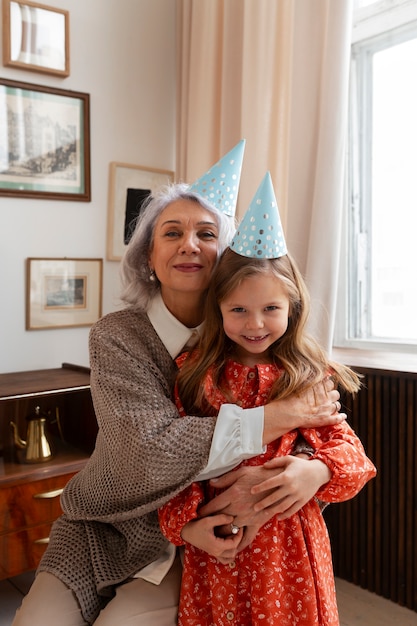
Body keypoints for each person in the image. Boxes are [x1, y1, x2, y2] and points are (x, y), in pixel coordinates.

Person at [12, 147, 345, 626]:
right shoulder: (116, 336)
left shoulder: (248, 339)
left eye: (206, 234)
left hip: (191, 533)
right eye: (172, 233)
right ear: (149, 256)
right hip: (102, 525)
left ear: (226, 258)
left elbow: (329, 434)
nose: (189, 244)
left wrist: (314, 470)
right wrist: (286, 414)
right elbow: (147, 451)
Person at [158, 173, 377, 626]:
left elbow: (354, 457)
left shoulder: (308, 377)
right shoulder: (196, 374)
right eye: (238, 309)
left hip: (292, 548)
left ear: (293, 306)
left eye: (271, 309)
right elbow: (171, 464)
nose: (255, 324)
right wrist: (185, 526)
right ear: (217, 310)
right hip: (220, 549)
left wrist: (315, 471)